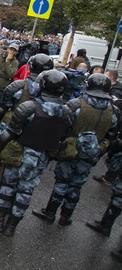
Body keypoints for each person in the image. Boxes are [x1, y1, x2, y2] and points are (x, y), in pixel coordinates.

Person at [0, 69, 73, 236]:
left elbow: (8, 134)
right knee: (25, 192)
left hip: (17, 154)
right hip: (40, 159)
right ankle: (11, 227)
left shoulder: (29, 107)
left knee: (7, 187)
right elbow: (63, 139)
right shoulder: (67, 112)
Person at [33, 73, 119, 225]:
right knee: (77, 185)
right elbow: (111, 138)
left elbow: (61, 126)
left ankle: (50, 212)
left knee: (61, 182)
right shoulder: (113, 111)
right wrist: (98, 150)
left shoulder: (76, 104)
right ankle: (66, 216)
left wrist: (59, 146)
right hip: (92, 153)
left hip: (69, 150)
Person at [0, 53, 55, 209]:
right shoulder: (55, 96)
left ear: (29, 67)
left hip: (13, 131)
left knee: (3, 164)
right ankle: (9, 203)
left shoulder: (18, 87)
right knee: (27, 175)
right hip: (37, 136)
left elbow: (1, 108)